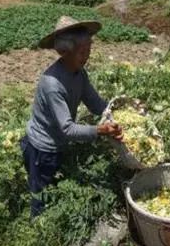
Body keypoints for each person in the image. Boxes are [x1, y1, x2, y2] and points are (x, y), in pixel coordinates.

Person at [20, 16, 123, 218]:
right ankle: (38, 232)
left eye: (89, 50)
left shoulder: (78, 73)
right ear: (66, 52)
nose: (86, 56)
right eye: (82, 52)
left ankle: (51, 221)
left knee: (56, 189)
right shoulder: (52, 84)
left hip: (59, 144)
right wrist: (100, 131)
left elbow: (95, 103)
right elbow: (67, 129)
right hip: (42, 149)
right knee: (41, 196)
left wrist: (115, 116)